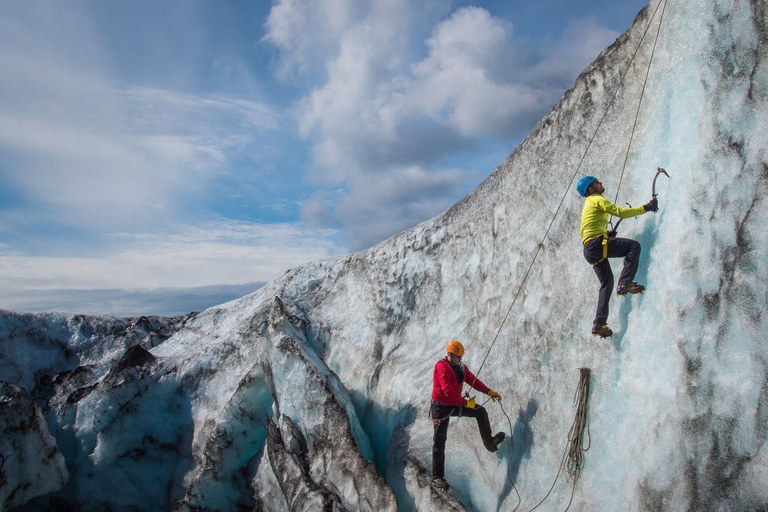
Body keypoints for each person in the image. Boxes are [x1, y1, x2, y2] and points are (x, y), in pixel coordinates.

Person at [577, 176, 658, 337]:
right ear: (591, 189)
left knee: (607, 283)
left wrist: (606, 235)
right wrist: (646, 207)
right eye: (596, 182)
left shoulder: (589, 204)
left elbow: (586, 230)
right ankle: (625, 282)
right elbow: (620, 212)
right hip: (596, 244)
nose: (600, 183)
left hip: (589, 249)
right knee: (633, 247)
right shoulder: (596, 199)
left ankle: (599, 323)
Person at [430, 340, 505, 491]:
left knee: (480, 412)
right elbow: (447, 391)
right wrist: (465, 403)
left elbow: (473, 380)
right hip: (440, 407)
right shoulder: (441, 367)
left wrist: (488, 392)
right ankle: (437, 477)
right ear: (450, 355)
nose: (460, 359)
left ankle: (489, 443)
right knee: (440, 440)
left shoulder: (460, 367)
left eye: (461, 357)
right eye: (458, 357)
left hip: (454, 403)